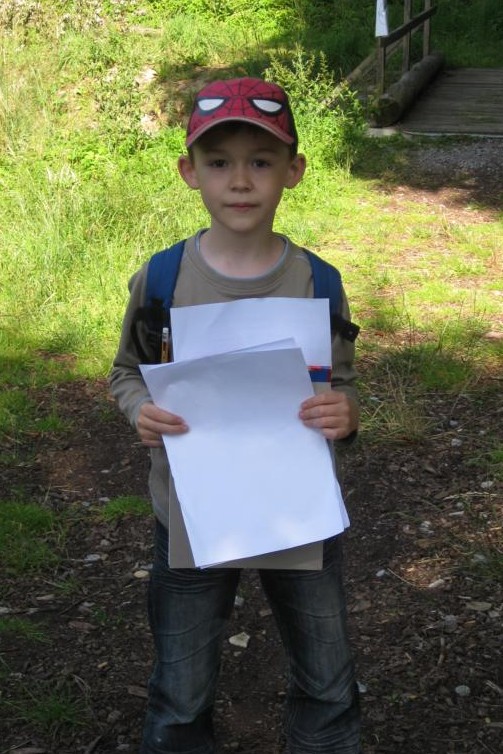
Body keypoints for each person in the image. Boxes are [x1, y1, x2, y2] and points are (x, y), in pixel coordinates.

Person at [110, 76, 362, 754]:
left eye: (261, 161)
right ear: (189, 172)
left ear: (293, 171)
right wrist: (140, 410)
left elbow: (340, 383)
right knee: (180, 688)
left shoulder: (318, 282)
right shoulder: (162, 280)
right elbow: (126, 372)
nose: (241, 181)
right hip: (190, 516)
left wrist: (345, 412)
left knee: (328, 681)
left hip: (298, 515)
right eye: (219, 162)